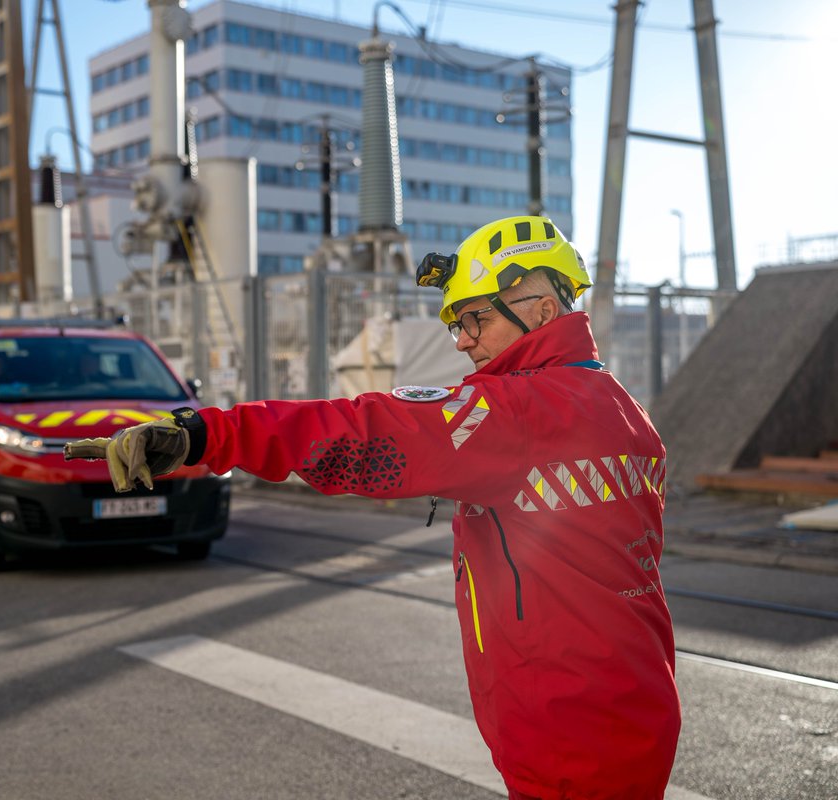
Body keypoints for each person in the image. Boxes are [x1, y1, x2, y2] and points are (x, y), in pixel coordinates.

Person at [65, 215, 681, 799]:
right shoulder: (622, 407)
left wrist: (207, 435)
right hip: (633, 699)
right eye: (456, 323)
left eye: (476, 317)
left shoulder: (517, 412)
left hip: (566, 727)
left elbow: (364, 432)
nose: (464, 340)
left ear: (541, 310)